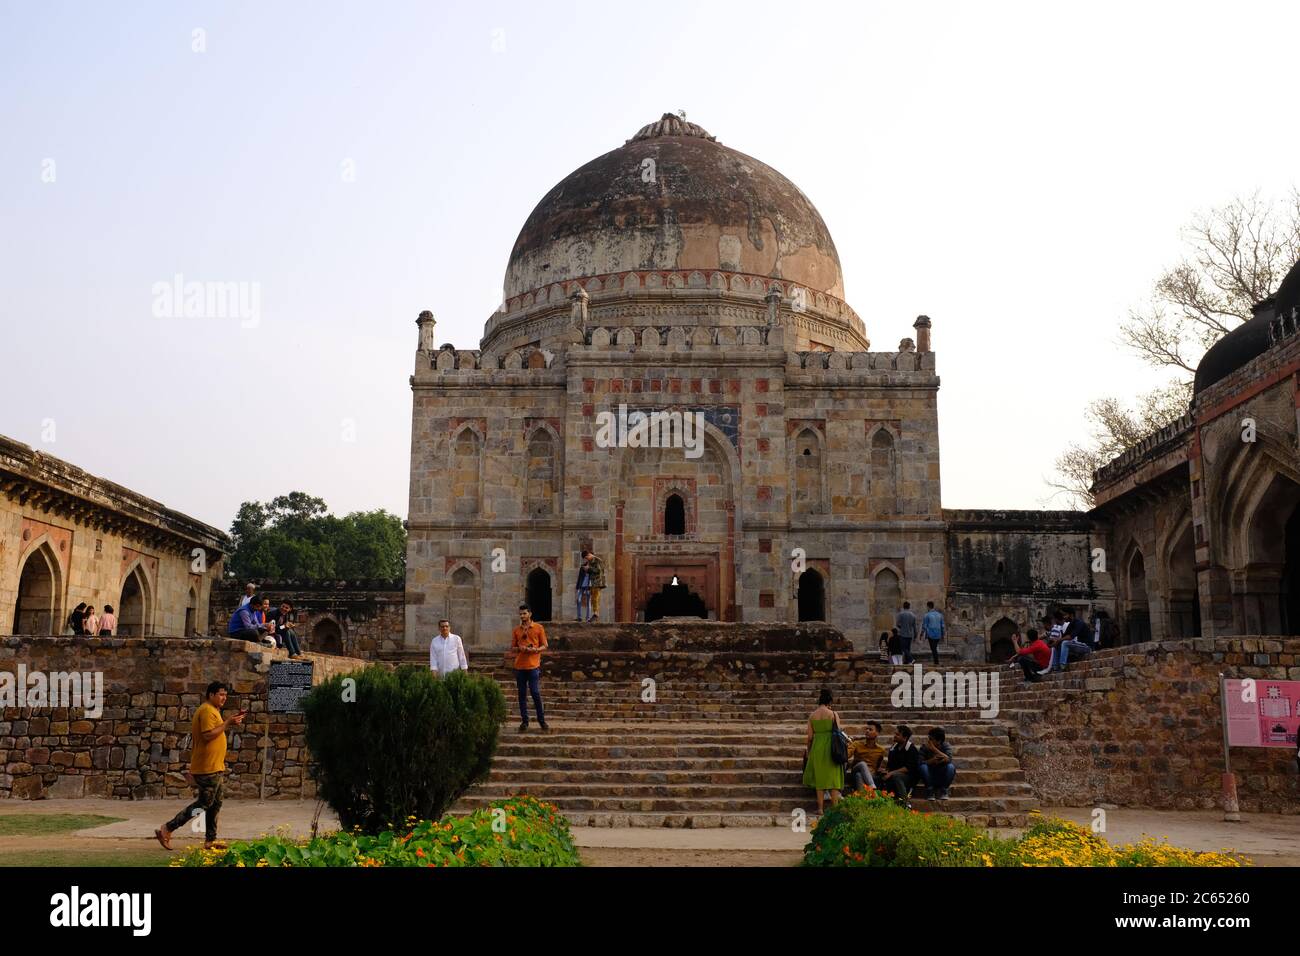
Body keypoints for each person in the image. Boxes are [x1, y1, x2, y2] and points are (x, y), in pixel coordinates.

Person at [155, 681, 245, 851]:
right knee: (203, 803)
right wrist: (227, 723)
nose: (224, 698)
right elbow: (208, 735)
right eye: (220, 694)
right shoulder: (206, 711)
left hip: (215, 766)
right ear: (211, 695)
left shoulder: (213, 711)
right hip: (207, 768)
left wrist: (227, 722)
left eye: (225, 695)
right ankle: (167, 828)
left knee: (215, 803)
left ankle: (210, 840)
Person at [802, 688, 844, 814]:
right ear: (829, 701)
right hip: (831, 748)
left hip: (817, 748)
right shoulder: (833, 714)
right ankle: (834, 807)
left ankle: (820, 808)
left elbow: (809, 737)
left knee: (820, 779)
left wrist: (809, 752)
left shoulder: (812, 716)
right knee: (834, 778)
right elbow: (838, 732)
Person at [510, 604, 549, 733]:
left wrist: (535, 649)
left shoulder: (538, 628)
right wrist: (520, 648)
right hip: (520, 666)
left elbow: (545, 645)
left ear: (530, 614)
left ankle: (541, 720)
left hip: (533, 666)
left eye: (524, 613)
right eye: (520, 614)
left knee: (535, 693)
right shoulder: (517, 630)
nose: (522, 616)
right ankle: (524, 721)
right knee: (521, 694)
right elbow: (513, 648)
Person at [878, 725, 921, 808]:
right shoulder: (893, 748)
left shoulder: (911, 749)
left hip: (909, 777)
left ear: (905, 738)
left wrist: (891, 773)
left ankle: (905, 803)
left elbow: (908, 768)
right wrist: (885, 771)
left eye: (897, 734)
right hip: (895, 775)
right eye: (895, 734)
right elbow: (890, 765)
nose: (894, 736)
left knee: (896, 776)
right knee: (879, 777)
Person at [844, 720, 887, 792]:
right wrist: (847, 745)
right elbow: (846, 755)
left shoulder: (881, 750)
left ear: (877, 733)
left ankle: (863, 797)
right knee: (862, 764)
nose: (867, 731)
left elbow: (879, 766)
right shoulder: (857, 744)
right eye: (866, 729)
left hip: (870, 774)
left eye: (870, 729)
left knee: (859, 775)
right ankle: (872, 786)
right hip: (856, 768)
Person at [918, 727, 955, 800]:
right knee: (923, 767)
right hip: (929, 775)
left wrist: (934, 749)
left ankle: (944, 790)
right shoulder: (924, 747)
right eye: (929, 738)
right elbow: (919, 762)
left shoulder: (946, 746)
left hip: (942, 775)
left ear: (939, 741)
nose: (929, 741)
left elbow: (949, 759)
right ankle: (930, 790)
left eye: (931, 739)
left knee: (951, 767)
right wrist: (931, 761)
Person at [1056, 606, 1092, 671]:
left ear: (1071, 615)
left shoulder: (1079, 623)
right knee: (1058, 645)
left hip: (1087, 647)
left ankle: (1062, 666)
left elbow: (1070, 637)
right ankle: (1055, 666)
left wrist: (1059, 640)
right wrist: (1055, 642)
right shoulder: (1071, 624)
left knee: (1065, 643)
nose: (1063, 617)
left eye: (1065, 615)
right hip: (1080, 646)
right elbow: (1064, 636)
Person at [576, 549, 605, 622]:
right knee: (593, 599)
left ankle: (596, 614)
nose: (586, 559)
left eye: (586, 558)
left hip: (597, 582)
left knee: (595, 598)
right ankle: (595, 615)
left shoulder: (597, 560)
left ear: (588, 555)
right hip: (592, 583)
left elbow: (599, 570)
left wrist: (589, 569)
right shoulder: (591, 561)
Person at [922, 601, 945, 665]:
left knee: (933, 648)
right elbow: (942, 626)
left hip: (931, 634)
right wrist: (943, 635)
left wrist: (921, 634)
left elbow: (924, 626)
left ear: (928, 607)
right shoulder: (940, 615)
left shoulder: (927, 615)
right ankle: (936, 662)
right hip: (938, 634)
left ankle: (936, 662)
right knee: (934, 648)